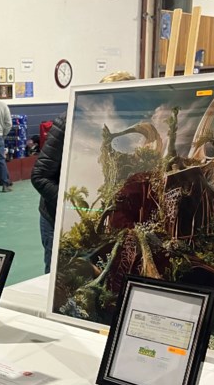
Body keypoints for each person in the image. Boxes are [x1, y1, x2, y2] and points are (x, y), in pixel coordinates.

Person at [31, 71, 136, 273]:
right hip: (56, 218)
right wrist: (71, 209)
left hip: (98, 221)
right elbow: (40, 176)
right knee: (58, 276)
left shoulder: (125, 128)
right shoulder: (68, 122)